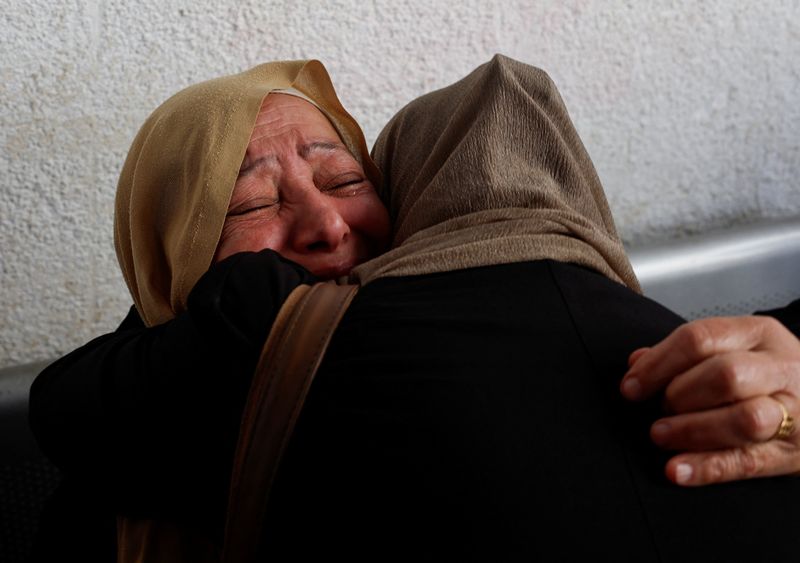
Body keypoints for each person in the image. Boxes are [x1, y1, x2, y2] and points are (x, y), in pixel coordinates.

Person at [30, 55, 800, 561]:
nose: (329, 225)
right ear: (170, 253)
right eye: (251, 204)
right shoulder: (145, 428)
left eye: (341, 180)